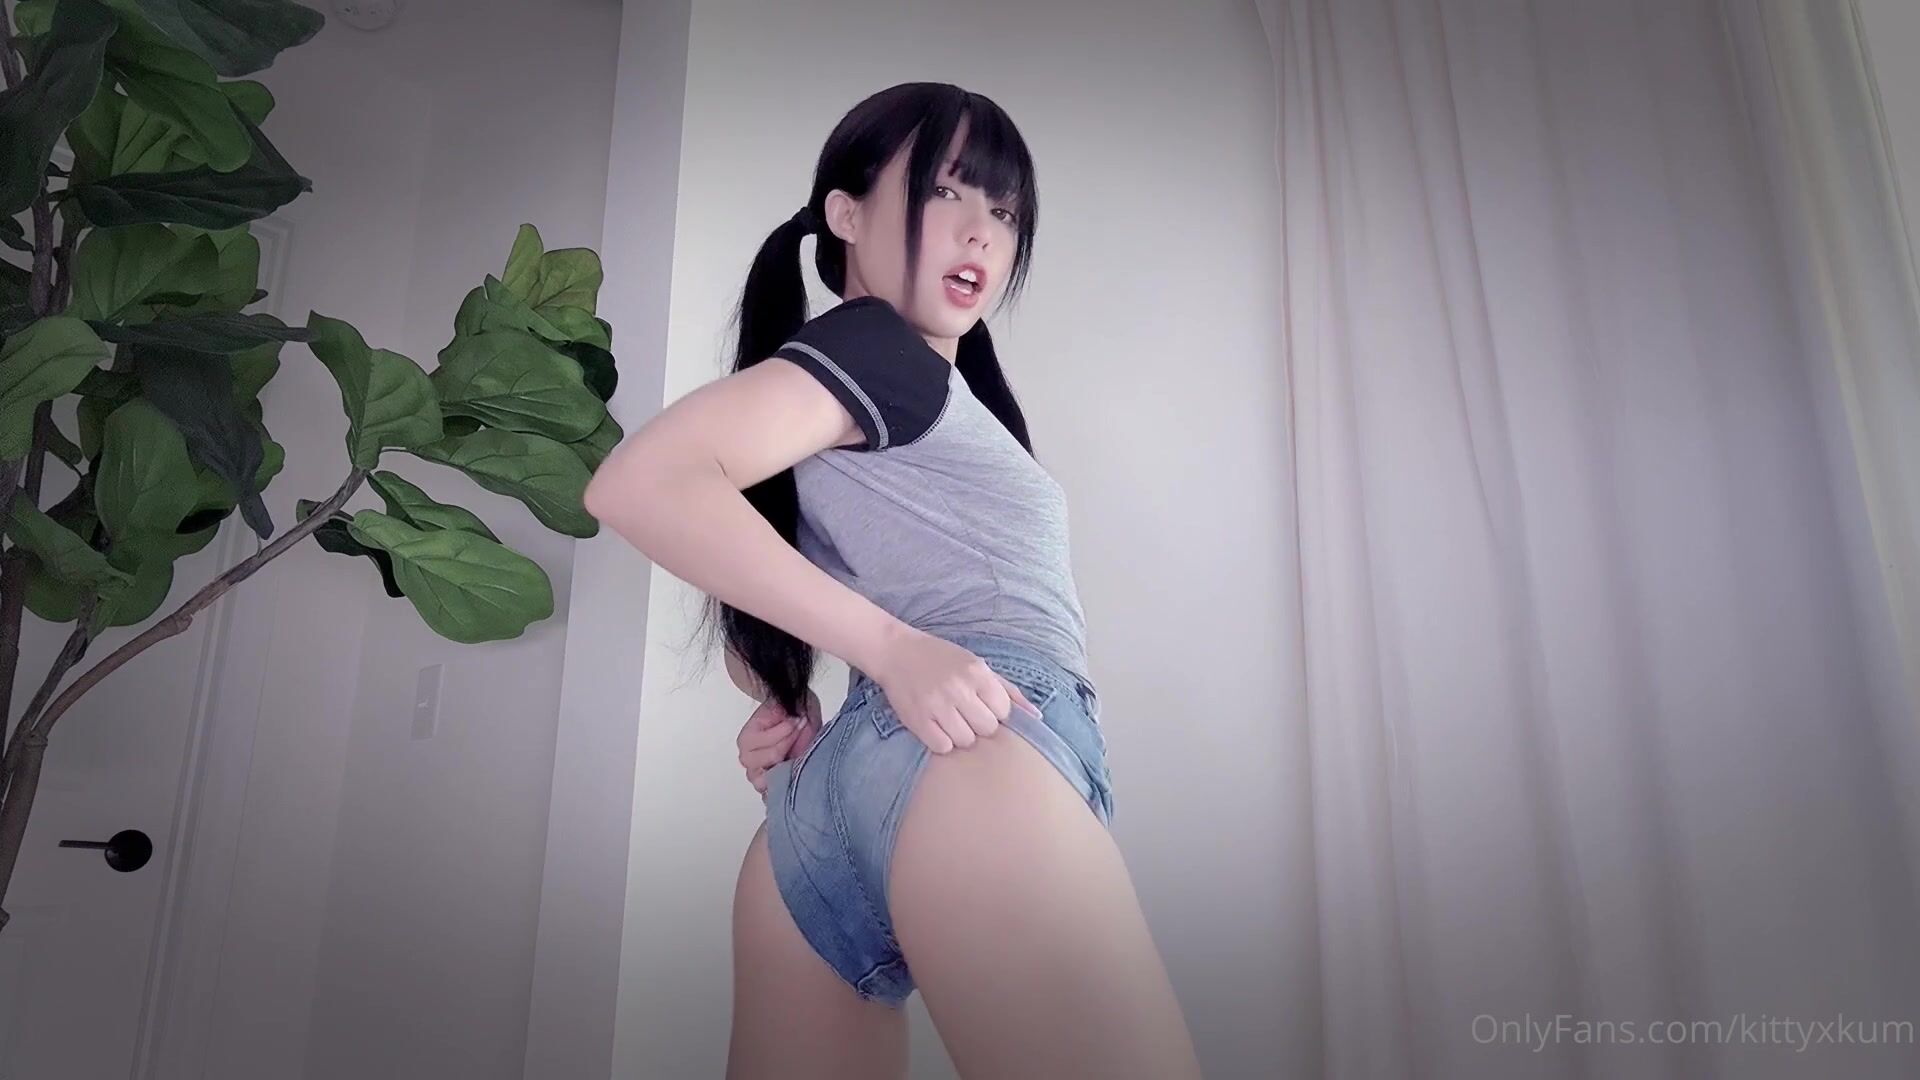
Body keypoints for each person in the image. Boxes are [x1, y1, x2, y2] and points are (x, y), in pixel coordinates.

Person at [583, 82, 1202, 1080]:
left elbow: (765, 588)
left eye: (1004, 210)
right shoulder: (878, 351)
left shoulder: (883, 391)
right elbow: (639, 485)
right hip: (969, 758)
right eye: (947, 190)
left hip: (823, 818)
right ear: (846, 212)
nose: (982, 230)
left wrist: (784, 699)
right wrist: (893, 650)